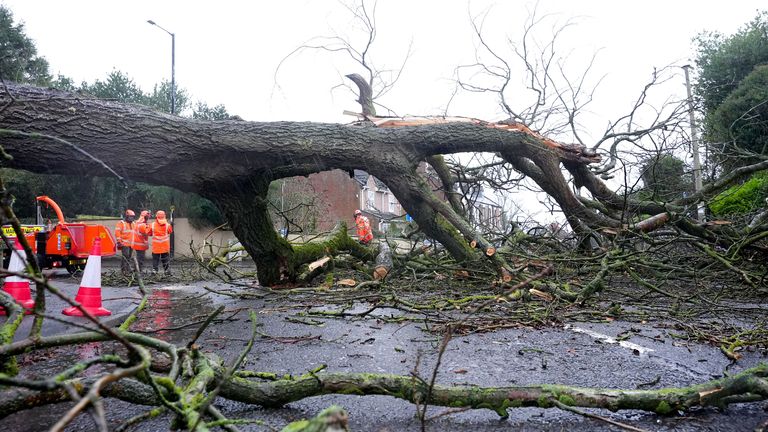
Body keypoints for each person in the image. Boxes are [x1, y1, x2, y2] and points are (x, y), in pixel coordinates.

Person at [150, 210, 173, 275]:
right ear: (164, 216)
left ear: (156, 216)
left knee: (155, 259)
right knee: (165, 258)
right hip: (164, 246)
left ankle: (155, 270)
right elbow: (170, 231)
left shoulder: (152, 225)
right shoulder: (167, 225)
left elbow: (149, 232)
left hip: (156, 246)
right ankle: (166, 270)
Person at [115, 209, 135, 276]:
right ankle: (124, 270)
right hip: (124, 244)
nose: (132, 218)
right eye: (130, 216)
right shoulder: (121, 223)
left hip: (131, 244)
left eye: (133, 217)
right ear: (127, 216)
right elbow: (117, 233)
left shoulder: (133, 224)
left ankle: (128, 269)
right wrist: (119, 241)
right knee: (125, 257)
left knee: (129, 257)